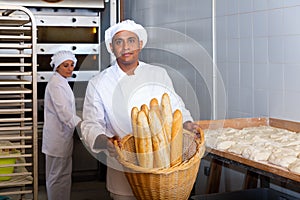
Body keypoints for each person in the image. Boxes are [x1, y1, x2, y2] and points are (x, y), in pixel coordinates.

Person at [81, 19, 200, 200]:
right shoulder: (99, 83)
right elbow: (91, 123)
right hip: (121, 171)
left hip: (160, 170)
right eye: (119, 42)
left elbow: (175, 108)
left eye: (131, 40)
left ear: (140, 44)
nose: (126, 47)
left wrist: (188, 124)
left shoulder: (158, 74)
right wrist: (105, 141)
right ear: (111, 48)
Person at [42, 50, 82, 200]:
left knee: (64, 175)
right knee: (56, 176)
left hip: (63, 138)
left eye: (72, 65)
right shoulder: (55, 85)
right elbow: (63, 112)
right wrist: (81, 124)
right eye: (65, 65)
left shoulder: (62, 82)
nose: (70, 68)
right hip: (56, 139)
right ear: (57, 67)